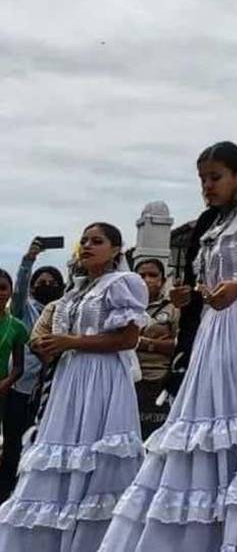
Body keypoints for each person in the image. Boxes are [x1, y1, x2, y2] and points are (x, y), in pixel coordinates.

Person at [101, 142, 237, 552]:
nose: (208, 187)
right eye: (203, 180)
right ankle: (204, 527)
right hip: (215, 330)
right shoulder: (214, 225)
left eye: (215, 178)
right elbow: (215, 283)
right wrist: (191, 295)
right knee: (205, 423)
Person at [0, 223, 148, 551]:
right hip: (70, 378)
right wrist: (52, 345)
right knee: (62, 448)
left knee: (96, 449)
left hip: (102, 376)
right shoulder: (75, 292)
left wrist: (71, 341)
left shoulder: (124, 283)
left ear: (116, 250)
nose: (88, 246)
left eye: (98, 241)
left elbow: (128, 338)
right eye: (84, 241)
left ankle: (96, 538)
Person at [1, 240, 64, 501]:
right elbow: (19, 289)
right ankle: (5, 488)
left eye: (51, 281)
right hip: (17, 389)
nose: (44, 284)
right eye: (40, 281)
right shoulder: (23, 310)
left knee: (37, 440)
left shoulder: (62, 312)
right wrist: (28, 261)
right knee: (13, 440)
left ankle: (28, 488)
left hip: (47, 387)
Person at [131, 258, 179, 439]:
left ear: (163, 280)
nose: (147, 279)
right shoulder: (123, 307)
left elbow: (179, 346)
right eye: (141, 275)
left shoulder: (174, 310)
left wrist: (147, 344)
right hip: (127, 380)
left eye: (153, 275)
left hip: (159, 380)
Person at [0, 271, 28, 451]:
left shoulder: (17, 327)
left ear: (10, 292)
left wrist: (5, 383)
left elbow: (19, 367)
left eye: (2, 288)